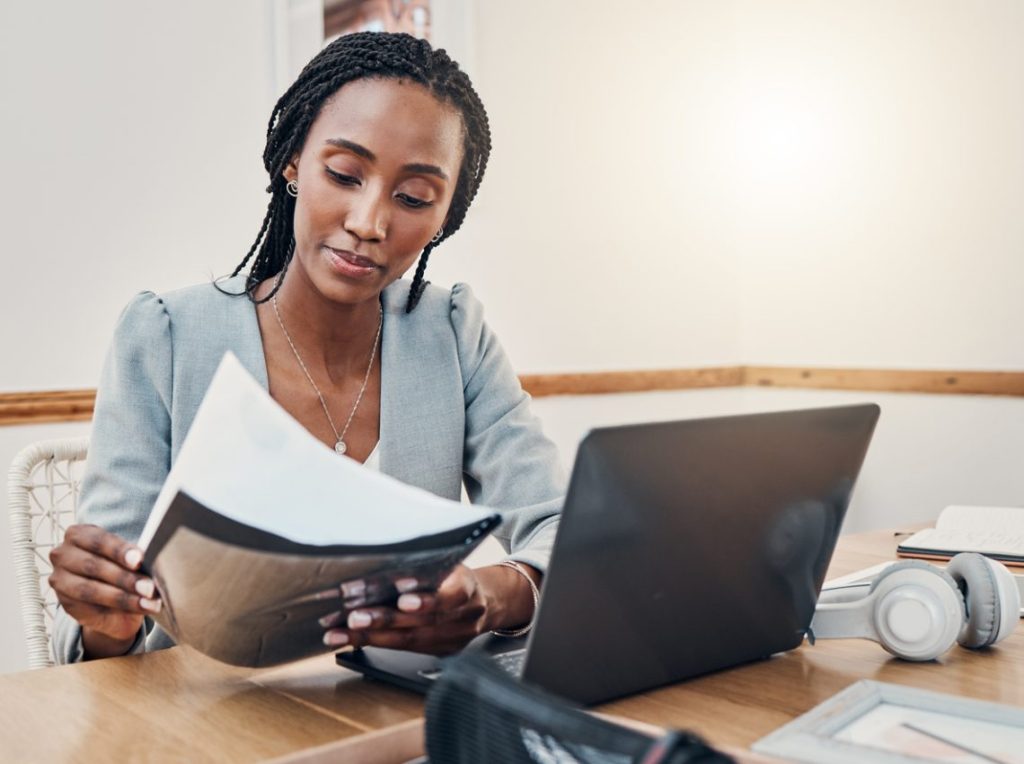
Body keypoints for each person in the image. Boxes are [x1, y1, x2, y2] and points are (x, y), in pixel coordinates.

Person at [49, 32, 565, 664]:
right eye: (345, 174)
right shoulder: (166, 337)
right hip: (204, 729)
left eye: (413, 198)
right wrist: (107, 617)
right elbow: (103, 637)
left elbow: (562, 529)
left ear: (445, 216)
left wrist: (497, 593)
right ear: (293, 161)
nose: (368, 223)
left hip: (398, 720)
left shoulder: (454, 334)